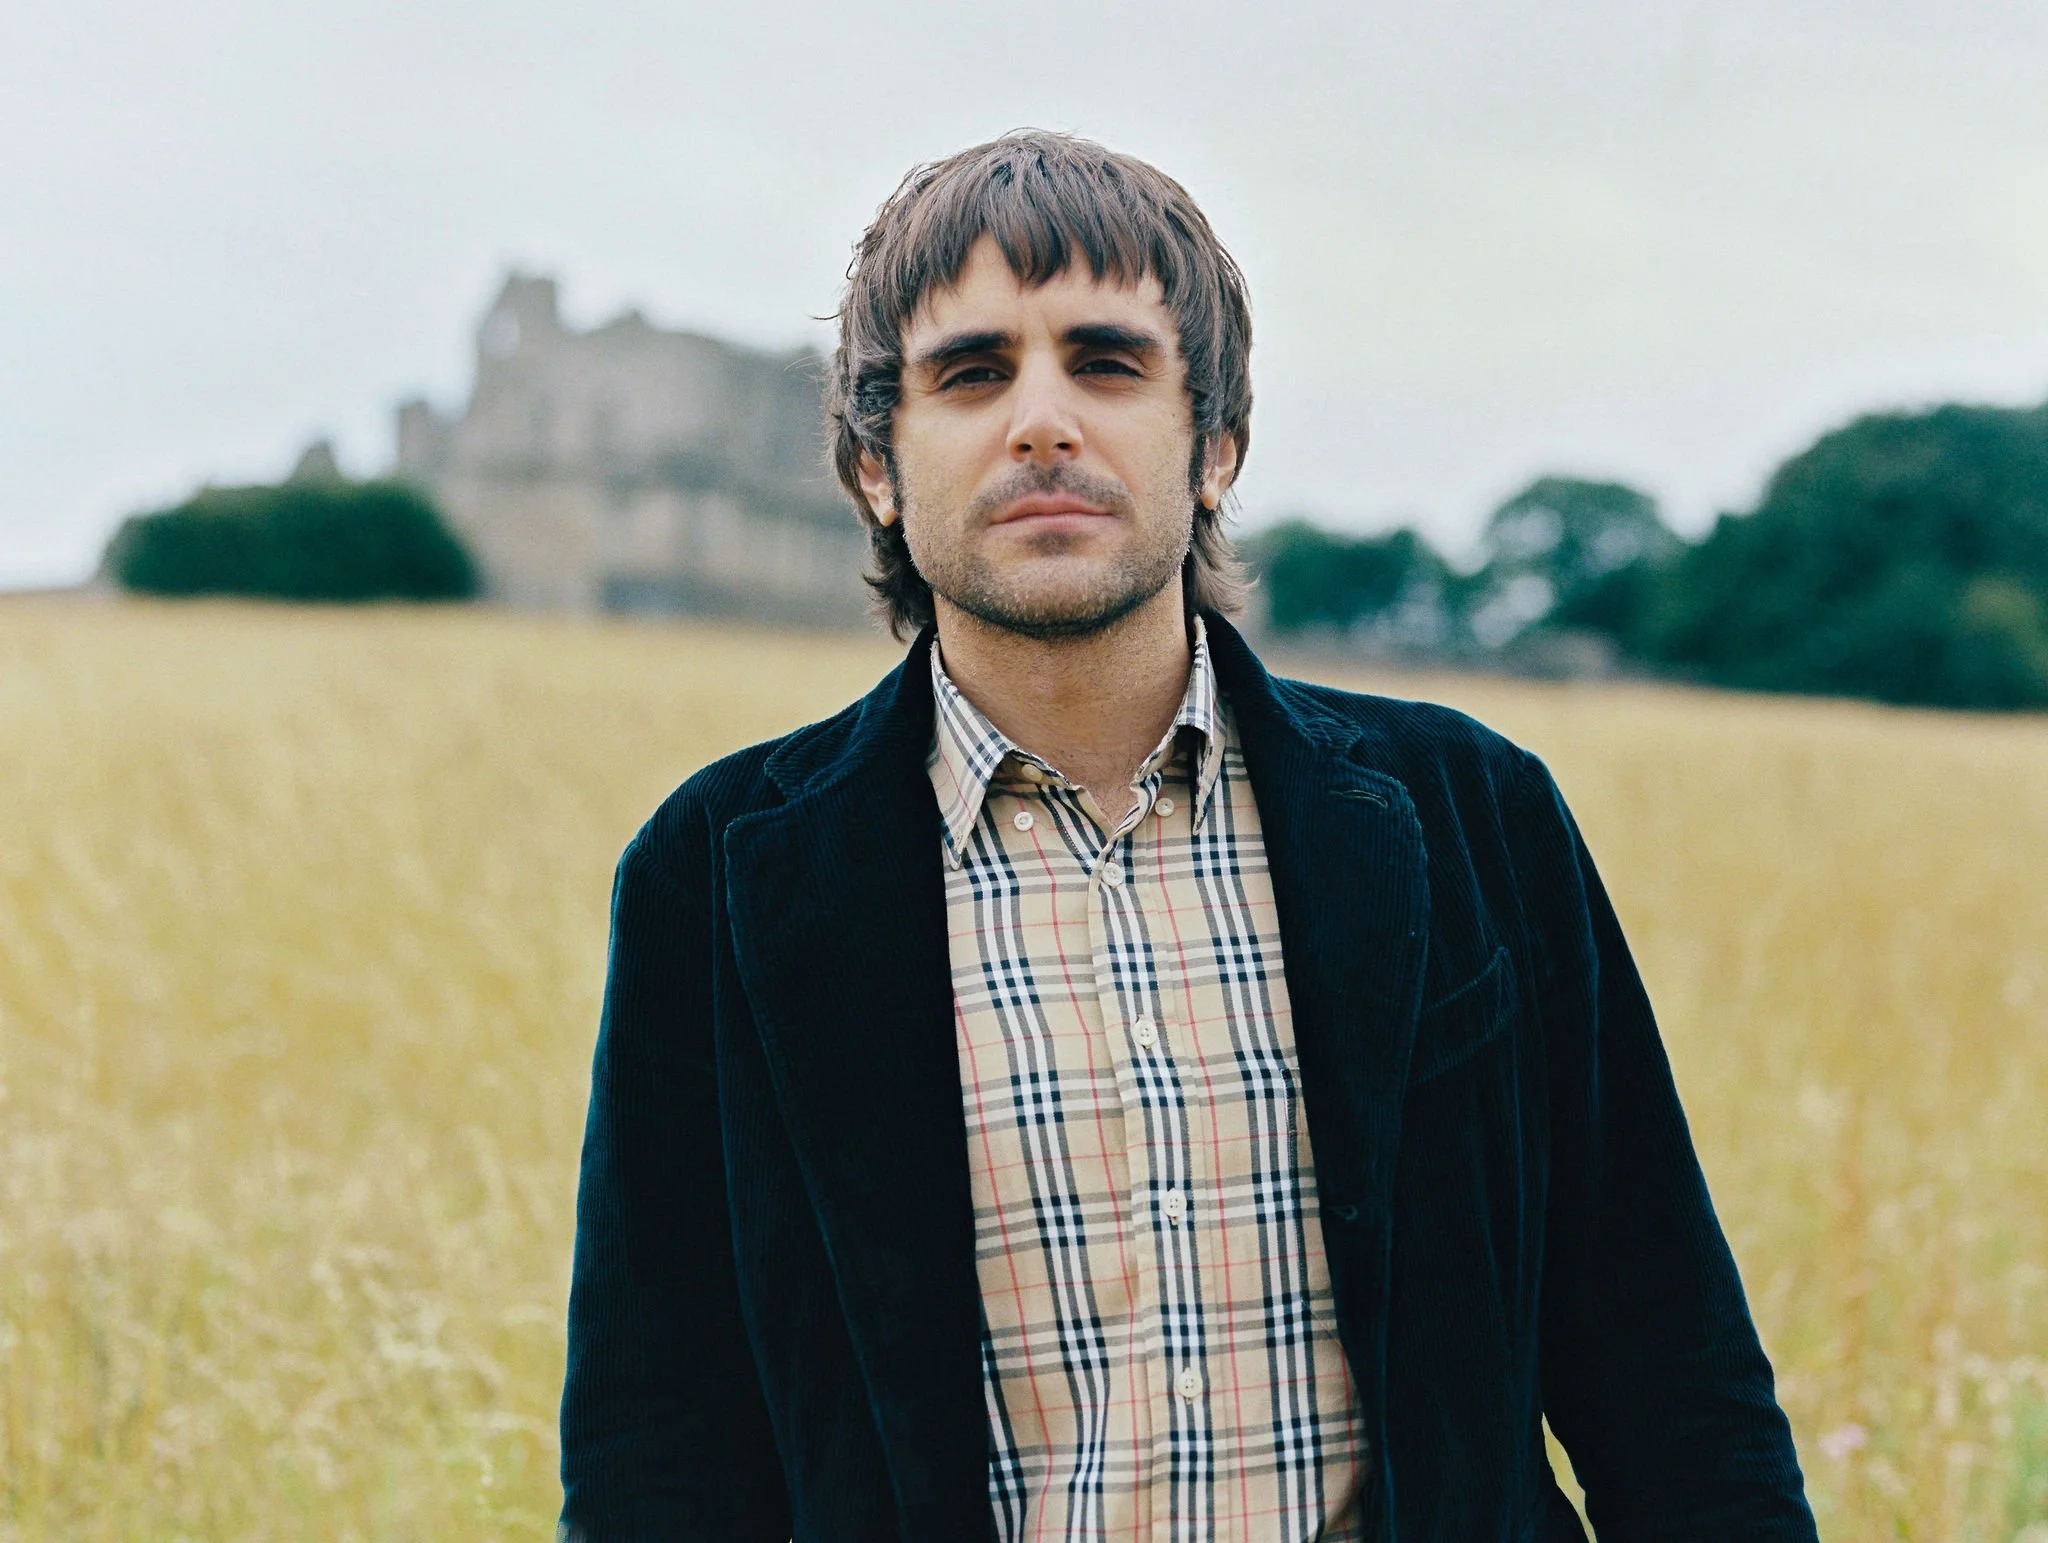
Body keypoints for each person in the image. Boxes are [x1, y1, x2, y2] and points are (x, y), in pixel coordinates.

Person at [558, 131, 1817, 1542]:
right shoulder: (719, 876)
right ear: (875, 470)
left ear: (1215, 447)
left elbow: (1671, 1372)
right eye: (972, 373)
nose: (1042, 421)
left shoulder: (1472, 813)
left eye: (1108, 364)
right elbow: (656, 1456)